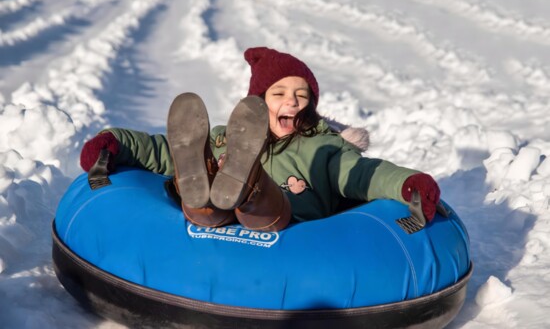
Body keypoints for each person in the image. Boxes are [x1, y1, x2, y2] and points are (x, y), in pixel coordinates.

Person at [80, 47, 440, 232]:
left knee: (262, 202)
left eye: (302, 94)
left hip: (288, 228)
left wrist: (408, 184)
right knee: (199, 171)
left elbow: (365, 175)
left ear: (311, 105)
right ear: (259, 101)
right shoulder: (225, 138)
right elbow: (162, 151)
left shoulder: (325, 147)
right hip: (222, 222)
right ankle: (202, 193)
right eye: (279, 92)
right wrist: (114, 143)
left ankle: (244, 188)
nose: (293, 101)